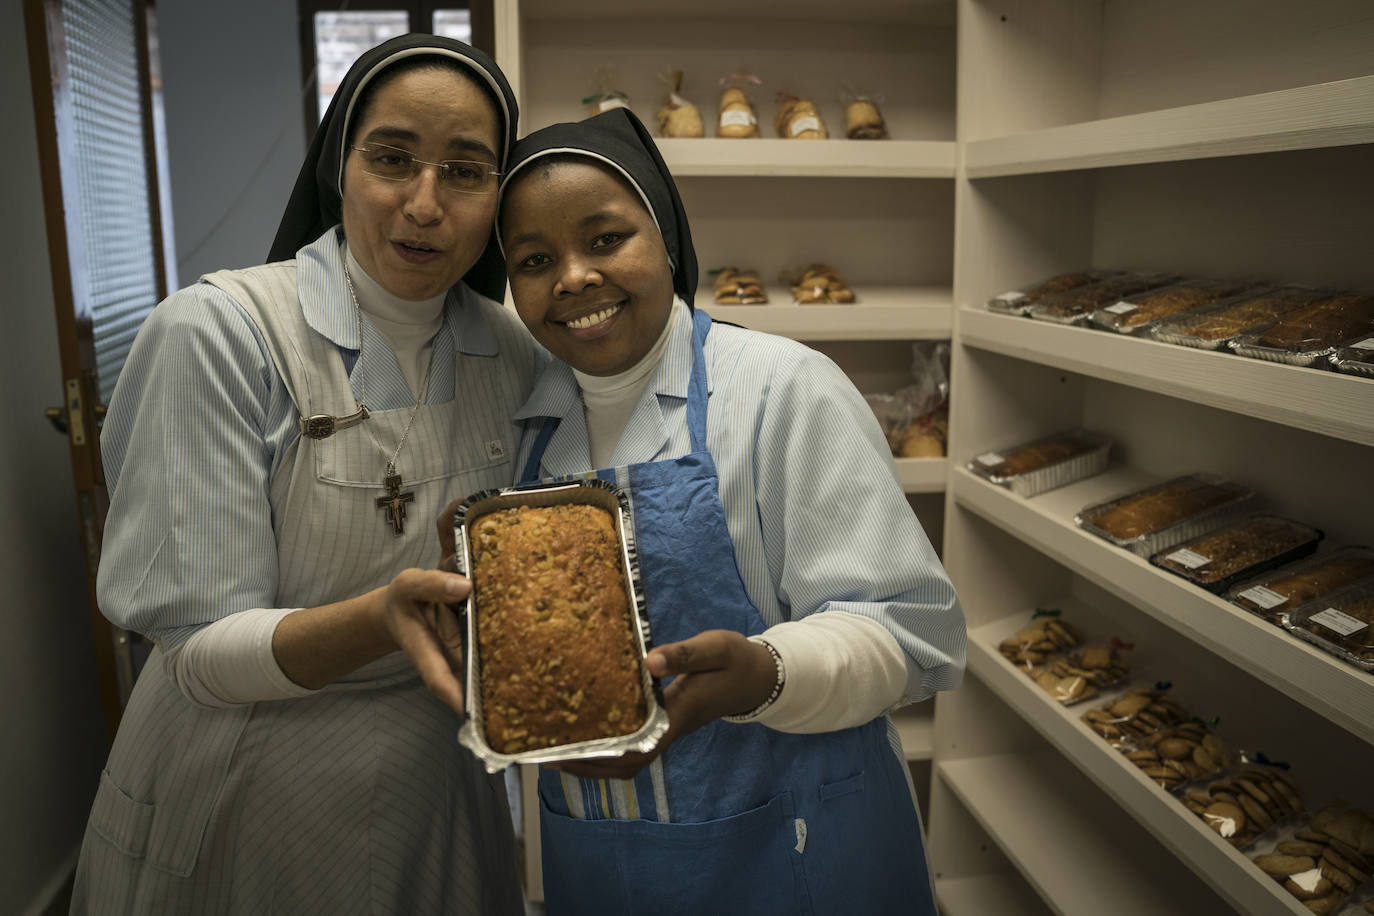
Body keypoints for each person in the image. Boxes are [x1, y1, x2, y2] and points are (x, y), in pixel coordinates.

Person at [71, 35, 537, 915]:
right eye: (392, 158)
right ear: (340, 165)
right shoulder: (218, 335)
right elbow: (197, 655)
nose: (425, 204)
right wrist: (381, 618)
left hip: (433, 787)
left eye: (467, 171)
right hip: (242, 778)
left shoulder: (513, 355)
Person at [489, 107, 966, 914]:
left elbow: (908, 630)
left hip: (796, 848)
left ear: (666, 238)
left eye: (605, 240)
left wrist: (762, 675)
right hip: (599, 857)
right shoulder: (523, 426)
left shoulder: (781, 387)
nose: (572, 278)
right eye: (536, 259)